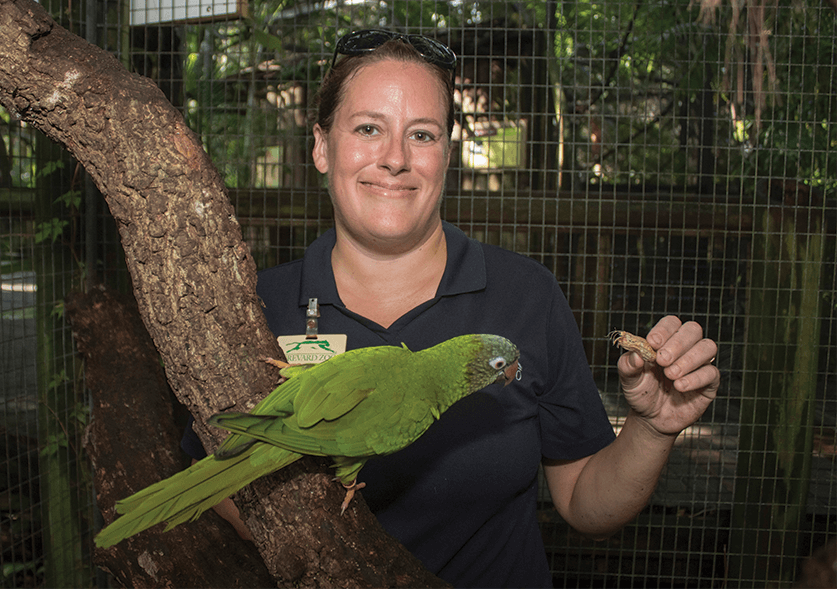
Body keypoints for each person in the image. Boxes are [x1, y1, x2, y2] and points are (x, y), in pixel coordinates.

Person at [182, 29, 720, 588]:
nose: (395, 159)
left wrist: (653, 429)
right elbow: (215, 482)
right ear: (322, 146)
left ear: (446, 154)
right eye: (369, 129)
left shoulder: (525, 295)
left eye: (422, 134)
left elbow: (587, 505)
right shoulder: (255, 307)